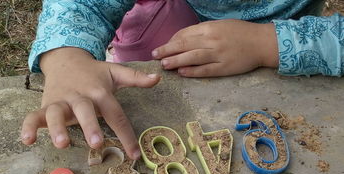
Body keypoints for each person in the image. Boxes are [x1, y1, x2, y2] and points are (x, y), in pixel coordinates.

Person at [21, 0, 343, 160]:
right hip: (165, 24)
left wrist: (267, 43)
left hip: (280, 39)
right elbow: (80, 4)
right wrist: (66, 57)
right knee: (150, 46)